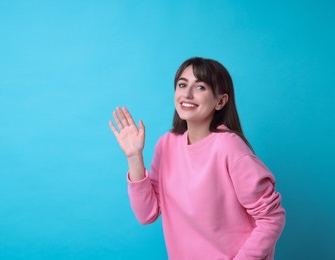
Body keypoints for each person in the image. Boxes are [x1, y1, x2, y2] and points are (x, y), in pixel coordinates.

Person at [109, 57, 285, 260]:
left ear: (220, 101)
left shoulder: (229, 147)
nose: (187, 94)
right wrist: (134, 157)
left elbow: (272, 217)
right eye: (182, 85)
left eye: (200, 87)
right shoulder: (167, 144)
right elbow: (147, 214)